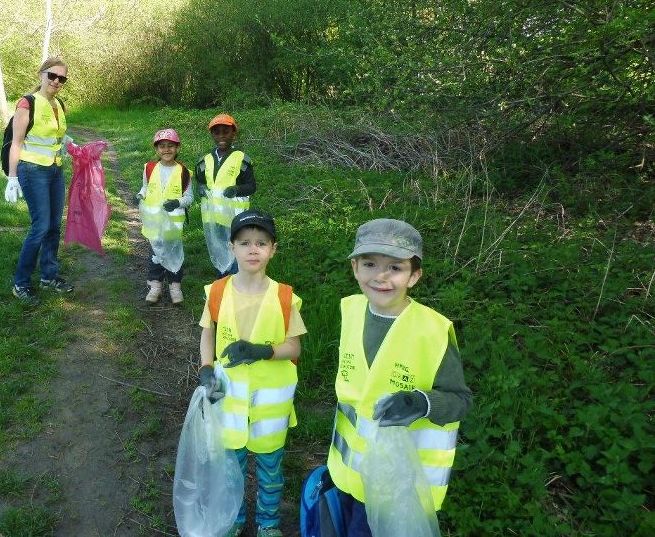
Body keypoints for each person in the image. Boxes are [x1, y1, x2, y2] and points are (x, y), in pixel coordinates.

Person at [327, 218, 472, 535]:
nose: (380, 276)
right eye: (370, 263)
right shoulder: (351, 311)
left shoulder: (433, 331)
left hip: (396, 484)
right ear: (355, 268)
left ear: (414, 275)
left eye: (395, 268)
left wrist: (421, 403)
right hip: (348, 474)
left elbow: (460, 400)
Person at [197, 210, 306, 537]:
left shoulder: (284, 296)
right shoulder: (217, 291)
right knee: (232, 470)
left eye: (261, 243)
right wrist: (205, 368)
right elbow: (207, 334)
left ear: (273, 249)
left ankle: (268, 524)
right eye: (245, 243)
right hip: (229, 402)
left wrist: (264, 351)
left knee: (270, 472)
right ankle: (235, 519)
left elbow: (294, 348)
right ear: (232, 247)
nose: (253, 249)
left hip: (270, 410)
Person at [4, 56, 76, 304]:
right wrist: (12, 178)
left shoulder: (60, 105)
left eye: (61, 78)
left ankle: (49, 276)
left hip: (55, 170)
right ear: (41, 74)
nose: (56, 81)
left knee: (54, 226)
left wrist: (69, 144)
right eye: (52, 76)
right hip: (32, 170)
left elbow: (56, 136)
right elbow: (18, 142)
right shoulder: (27, 103)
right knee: (40, 226)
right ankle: (20, 283)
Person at [134, 128, 193, 305]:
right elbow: (145, 188)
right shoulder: (150, 168)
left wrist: (177, 202)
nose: (166, 150)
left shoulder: (184, 172)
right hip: (154, 223)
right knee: (155, 254)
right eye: (162, 146)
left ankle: (175, 285)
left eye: (170, 146)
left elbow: (189, 198)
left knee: (174, 253)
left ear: (177, 148)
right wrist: (140, 195)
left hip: (173, 225)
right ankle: (155, 285)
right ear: (156, 149)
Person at [195, 113, 256, 277]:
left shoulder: (241, 159)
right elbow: (200, 182)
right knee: (219, 253)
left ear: (233, 134)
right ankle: (221, 287)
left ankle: (236, 288)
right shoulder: (205, 160)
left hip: (235, 219)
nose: (221, 136)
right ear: (212, 135)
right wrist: (200, 188)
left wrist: (237, 189)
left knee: (236, 254)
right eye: (217, 132)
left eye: (225, 132)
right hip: (212, 218)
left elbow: (251, 186)